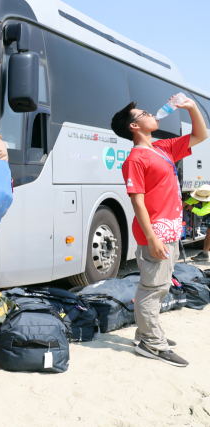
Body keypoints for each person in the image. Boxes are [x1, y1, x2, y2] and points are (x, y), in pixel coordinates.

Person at [111, 97, 208, 368]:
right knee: (152, 288)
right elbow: (137, 202)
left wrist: (189, 106)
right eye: (144, 113)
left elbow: (200, 134)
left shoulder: (162, 148)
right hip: (156, 235)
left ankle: (144, 332)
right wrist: (152, 238)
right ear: (134, 125)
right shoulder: (135, 159)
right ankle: (151, 344)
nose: (152, 114)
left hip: (171, 231)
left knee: (161, 285)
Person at [183, 184, 210, 261]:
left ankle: (205, 254)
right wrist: (183, 204)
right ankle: (204, 254)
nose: (198, 199)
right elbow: (190, 201)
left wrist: (188, 206)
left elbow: (201, 212)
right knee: (209, 232)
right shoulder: (205, 196)